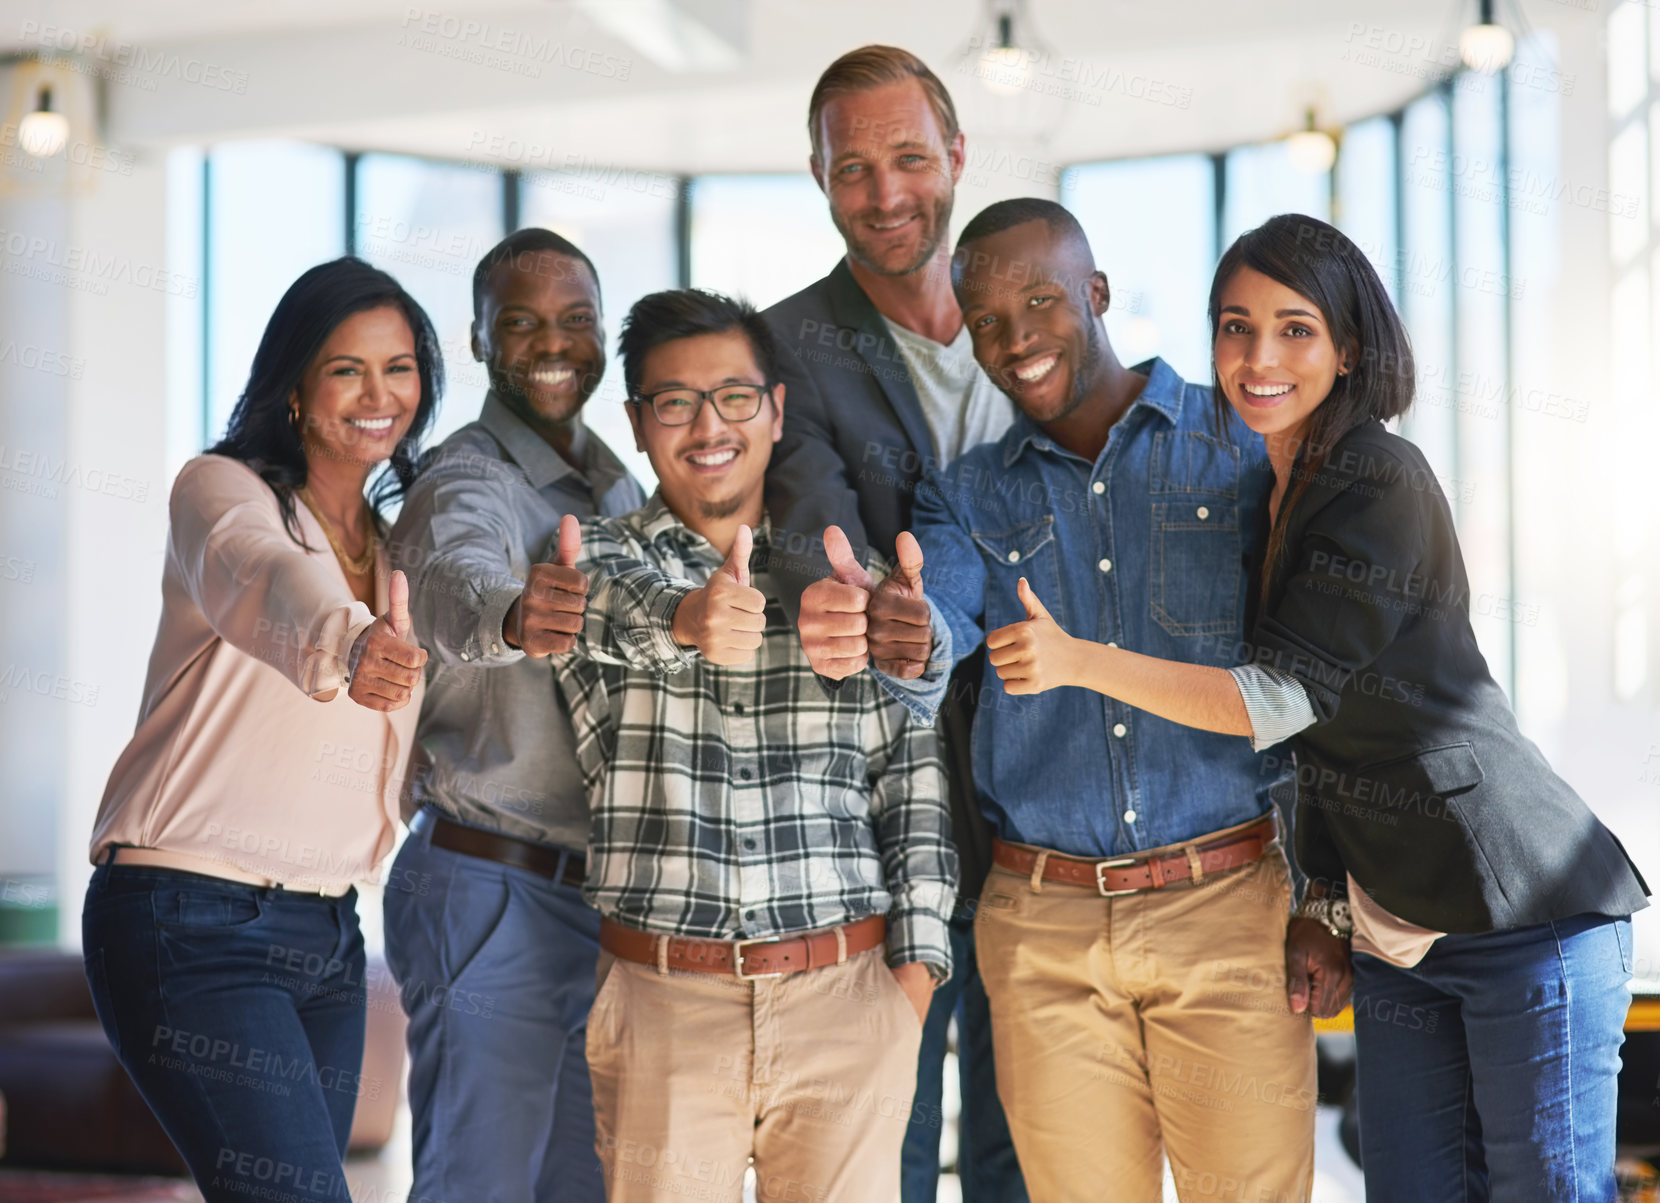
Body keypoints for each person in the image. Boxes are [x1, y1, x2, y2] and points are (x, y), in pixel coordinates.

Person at [972, 211, 1650, 1202]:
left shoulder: (1379, 476)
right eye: (1233, 326)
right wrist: (1325, 905)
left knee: (1545, 1191)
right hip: (1395, 929)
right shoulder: (1275, 489)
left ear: (1349, 347)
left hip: (1519, 906)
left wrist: (1084, 662)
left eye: (1294, 329)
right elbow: (1321, 755)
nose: (1257, 357)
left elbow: (1281, 704)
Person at [799, 199, 1319, 1203]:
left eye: (1039, 300)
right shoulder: (966, 495)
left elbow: (1310, 689)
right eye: (985, 320)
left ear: (1097, 292)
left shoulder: (1239, 447)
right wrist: (903, 632)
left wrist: (1326, 903)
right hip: (1045, 930)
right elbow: (934, 626)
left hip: (1228, 908)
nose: (1015, 338)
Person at [551, 288, 956, 1203]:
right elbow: (606, 619)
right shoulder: (593, 565)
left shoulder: (852, 581)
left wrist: (912, 981)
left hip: (847, 996)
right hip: (663, 1002)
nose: (708, 425)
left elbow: (914, 786)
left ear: (776, 408)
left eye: (734, 396)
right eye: (674, 402)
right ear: (637, 423)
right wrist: (692, 619)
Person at [82, 257, 436, 1203]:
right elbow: (262, 573)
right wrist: (351, 643)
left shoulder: (402, 547)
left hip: (325, 929)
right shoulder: (221, 491)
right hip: (186, 913)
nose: (378, 394)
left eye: (399, 368)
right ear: (292, 383)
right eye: (346, 368)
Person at [761, 45, 1025, 1202]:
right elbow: (809, 523)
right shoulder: (786, 345)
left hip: (1053, 795)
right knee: (888, 1139)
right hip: (882, 806)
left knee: (1035, 1135)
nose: (883, 195)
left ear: (957, 156)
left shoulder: (1032, 314)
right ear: (817, 177)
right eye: (852, 168)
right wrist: (872, 602)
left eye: (909, 158)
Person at [386, 228, 644, 1203]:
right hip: (491, 890)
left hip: (594, 902)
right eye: (522, 322)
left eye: (574, 321)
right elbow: (452, 578)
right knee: (477, 1188)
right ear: (482, 339)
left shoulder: (613, 483)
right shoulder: (469, 476)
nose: (552, 342)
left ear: (602, 333)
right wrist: (511, 613)